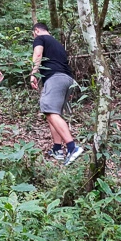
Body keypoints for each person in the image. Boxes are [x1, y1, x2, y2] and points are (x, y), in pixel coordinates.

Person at [30, 22, 83, 166]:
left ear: (36, 31)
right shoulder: (57, 43)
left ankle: (72, 147)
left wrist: (33, 74)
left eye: (33, 33)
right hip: (67, 79)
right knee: (53, 114)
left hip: (55, 78)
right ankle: (57, 149)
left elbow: (38, 54)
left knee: (48, 108)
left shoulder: (40, 38)